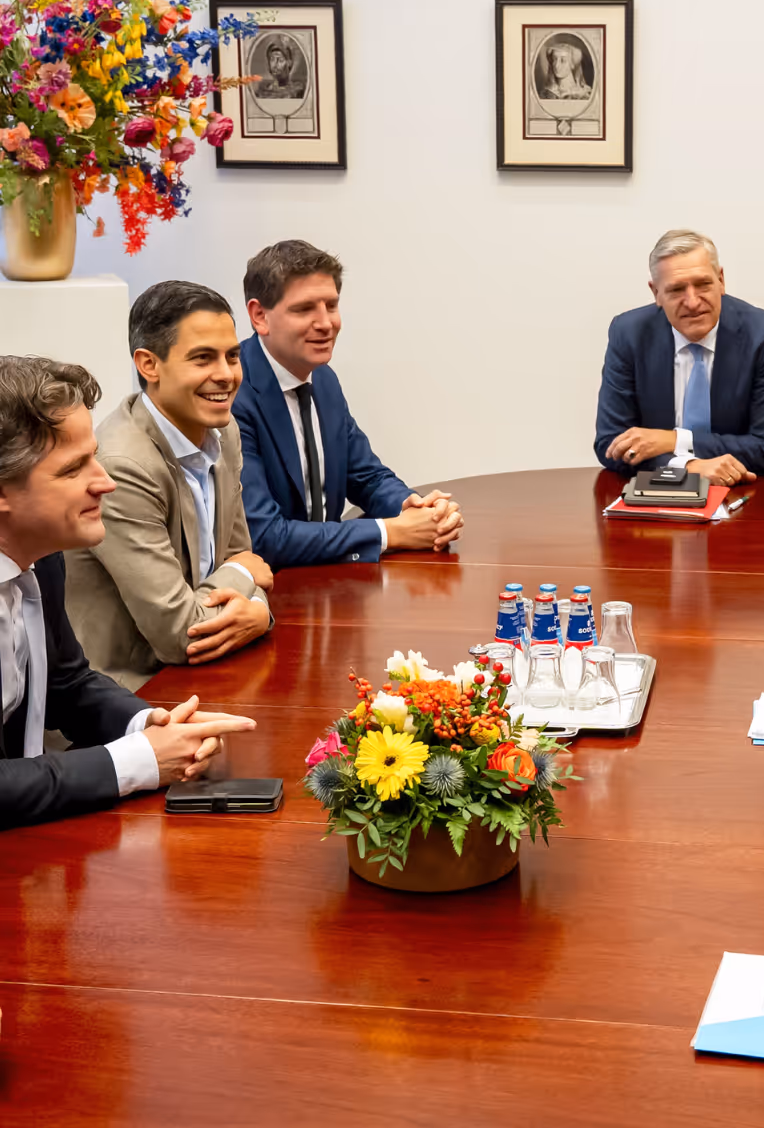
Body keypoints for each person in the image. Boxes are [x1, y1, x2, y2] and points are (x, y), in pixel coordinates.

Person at [0, 355, 255, 829]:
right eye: (73, 469)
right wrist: (138, 762)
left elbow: (67, 685)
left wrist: (151, 724)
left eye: (93, 457)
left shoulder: (43, 556)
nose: (106, 481)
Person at [66, 281, 272, 692]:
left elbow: (245, 562)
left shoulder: (223, 430)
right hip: (135, 693)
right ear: (149, 365)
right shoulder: (122, 466)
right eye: (203, 358)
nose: (226, 375)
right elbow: (181, 634)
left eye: (232, 356)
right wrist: (243, 581)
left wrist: (259, 612)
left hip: (206, 669)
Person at [231, 239, 464, 569]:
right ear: (259, 316)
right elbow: (266, 537)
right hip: (268, 586)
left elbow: (367, 477)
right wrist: (391, 532)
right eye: (304, 309)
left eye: (331, 305)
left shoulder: (323, 379)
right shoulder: (233, 394)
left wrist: (417, 509)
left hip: (329, 579)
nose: (326, 323)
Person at [594, 228, 764, 488]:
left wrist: (674, 440)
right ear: (656, 293)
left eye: (703, 284)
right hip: (659, 490)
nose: (692, 302)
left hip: (745, 489)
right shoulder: (629, 334)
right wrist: (686, 467)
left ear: (721, 280)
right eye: (677, 289)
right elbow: (611, 443)